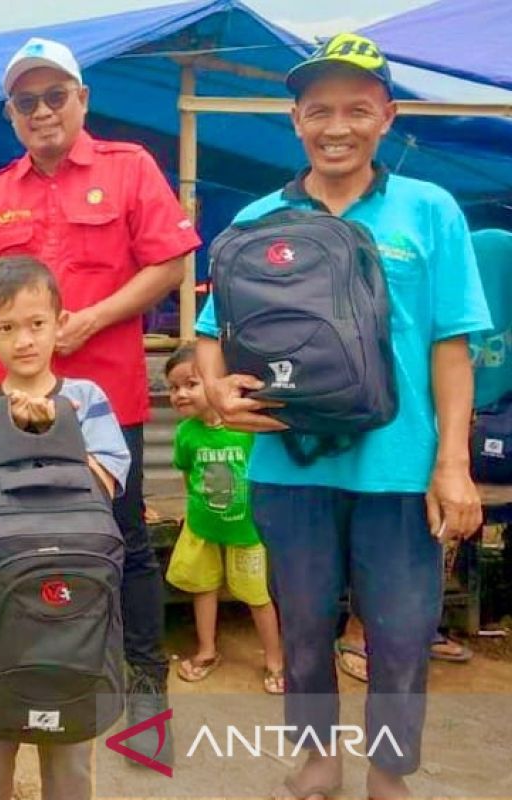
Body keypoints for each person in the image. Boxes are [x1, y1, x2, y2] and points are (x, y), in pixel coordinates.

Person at [194, 33, 490, 800]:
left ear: (387, 116)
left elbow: (452, 344)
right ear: (295, 119)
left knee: (398, 634)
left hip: (400, 467)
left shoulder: (430, 211)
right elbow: (207, 341)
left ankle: (387, 771)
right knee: (302, 625)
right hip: (288, 464)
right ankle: (317, 756)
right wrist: (218, 393)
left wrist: (452, 463)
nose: (337, 127)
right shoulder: (256, 221)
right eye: (319, 110)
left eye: (357, 109)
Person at [0, 37, 201, 759]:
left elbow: (173, 259)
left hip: (105, 399)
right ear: (11, 114)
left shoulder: (129, 170)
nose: (42, 111)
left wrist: (96, 317)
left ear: (82, 100)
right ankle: (13, 656)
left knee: (121, 541)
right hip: (13, 406)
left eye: (54, 95)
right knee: (5, 532)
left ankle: (143, 676)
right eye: (26, 101)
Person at [0, 256, 129, 800]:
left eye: (36, 324)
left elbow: (107, 483)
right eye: (6, 328)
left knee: (71, 751)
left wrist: (55, 429)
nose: (24, 340)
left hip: (74, 606)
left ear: (59, 322)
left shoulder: (88, 400)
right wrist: (12, 430)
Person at [162, 345, 284, 694]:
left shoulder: (246, 428)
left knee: (257, 596)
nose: (181, 393)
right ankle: (206, 651)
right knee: (203, 589)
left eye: (191, 383)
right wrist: (191, 513)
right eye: (173, 388)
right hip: (203, 528)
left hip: (247, 530)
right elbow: (188, 477)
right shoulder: (185, 433)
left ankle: (276, 661)